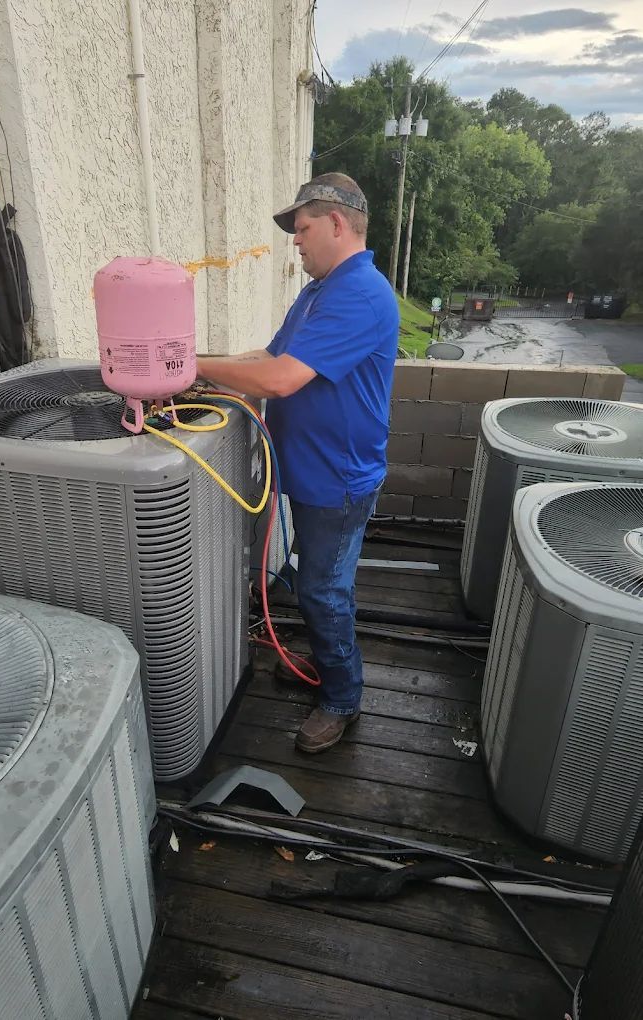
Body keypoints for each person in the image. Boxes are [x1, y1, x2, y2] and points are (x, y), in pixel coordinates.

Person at [196, 172, 399, 753]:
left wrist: (193, 365)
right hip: (315, 475)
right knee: (317, 582)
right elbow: (269, 354)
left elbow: (281, 379)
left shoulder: (359, 292)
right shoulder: (319, 291)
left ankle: (341, 696)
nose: (295, 240)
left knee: (324, 591)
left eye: (302, 227)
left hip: (339, 481)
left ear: (337, 223)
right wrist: (194, 367)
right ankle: (325, 659)